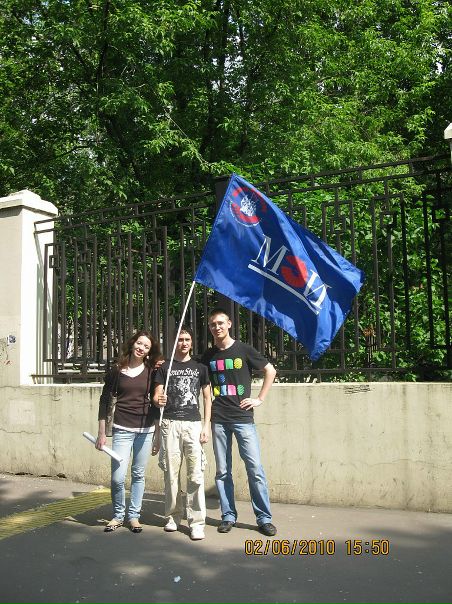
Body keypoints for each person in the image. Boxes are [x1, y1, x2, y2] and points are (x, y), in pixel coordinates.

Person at [201, 308, 277, 536]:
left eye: (220, 323)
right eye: (213, 324)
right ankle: (228, 516)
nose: (217, 327)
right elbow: (190, 368)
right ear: (210, 328)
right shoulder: (208, 356)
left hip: (243, 418)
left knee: (255, 469)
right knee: (223, 471)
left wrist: (259, 399)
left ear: (229, 324)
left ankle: (264, 519)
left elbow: (270, 370)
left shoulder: (244, 349)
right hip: (219, 419)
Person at [96, 330, 162, 533]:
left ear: (149, 351)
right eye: (139, 343)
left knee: (138, 474)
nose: (141, 348)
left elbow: (156, 405)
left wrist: (158, 435)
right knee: (118, 477)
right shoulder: (117, 370)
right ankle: (118, 515)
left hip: (145, 429)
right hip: (122, 429)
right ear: (133, 343)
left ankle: (134, 516)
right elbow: (104, 401)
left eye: (146, 346)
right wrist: (101, 433)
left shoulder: (152, 371)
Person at [153, 326, 211, 540]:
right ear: (174, 342)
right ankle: (173, 517)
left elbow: (207, 398)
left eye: (187, 339)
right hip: (170, 424)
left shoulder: (200, 367)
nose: (183, 343)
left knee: (195, 474)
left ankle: (197, 522)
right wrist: (158, 399)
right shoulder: (165, 367)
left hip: (193, 424)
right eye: (180, 339)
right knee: (171, 474)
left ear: (191, 343)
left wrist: (206, 425)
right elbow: (156, 395)